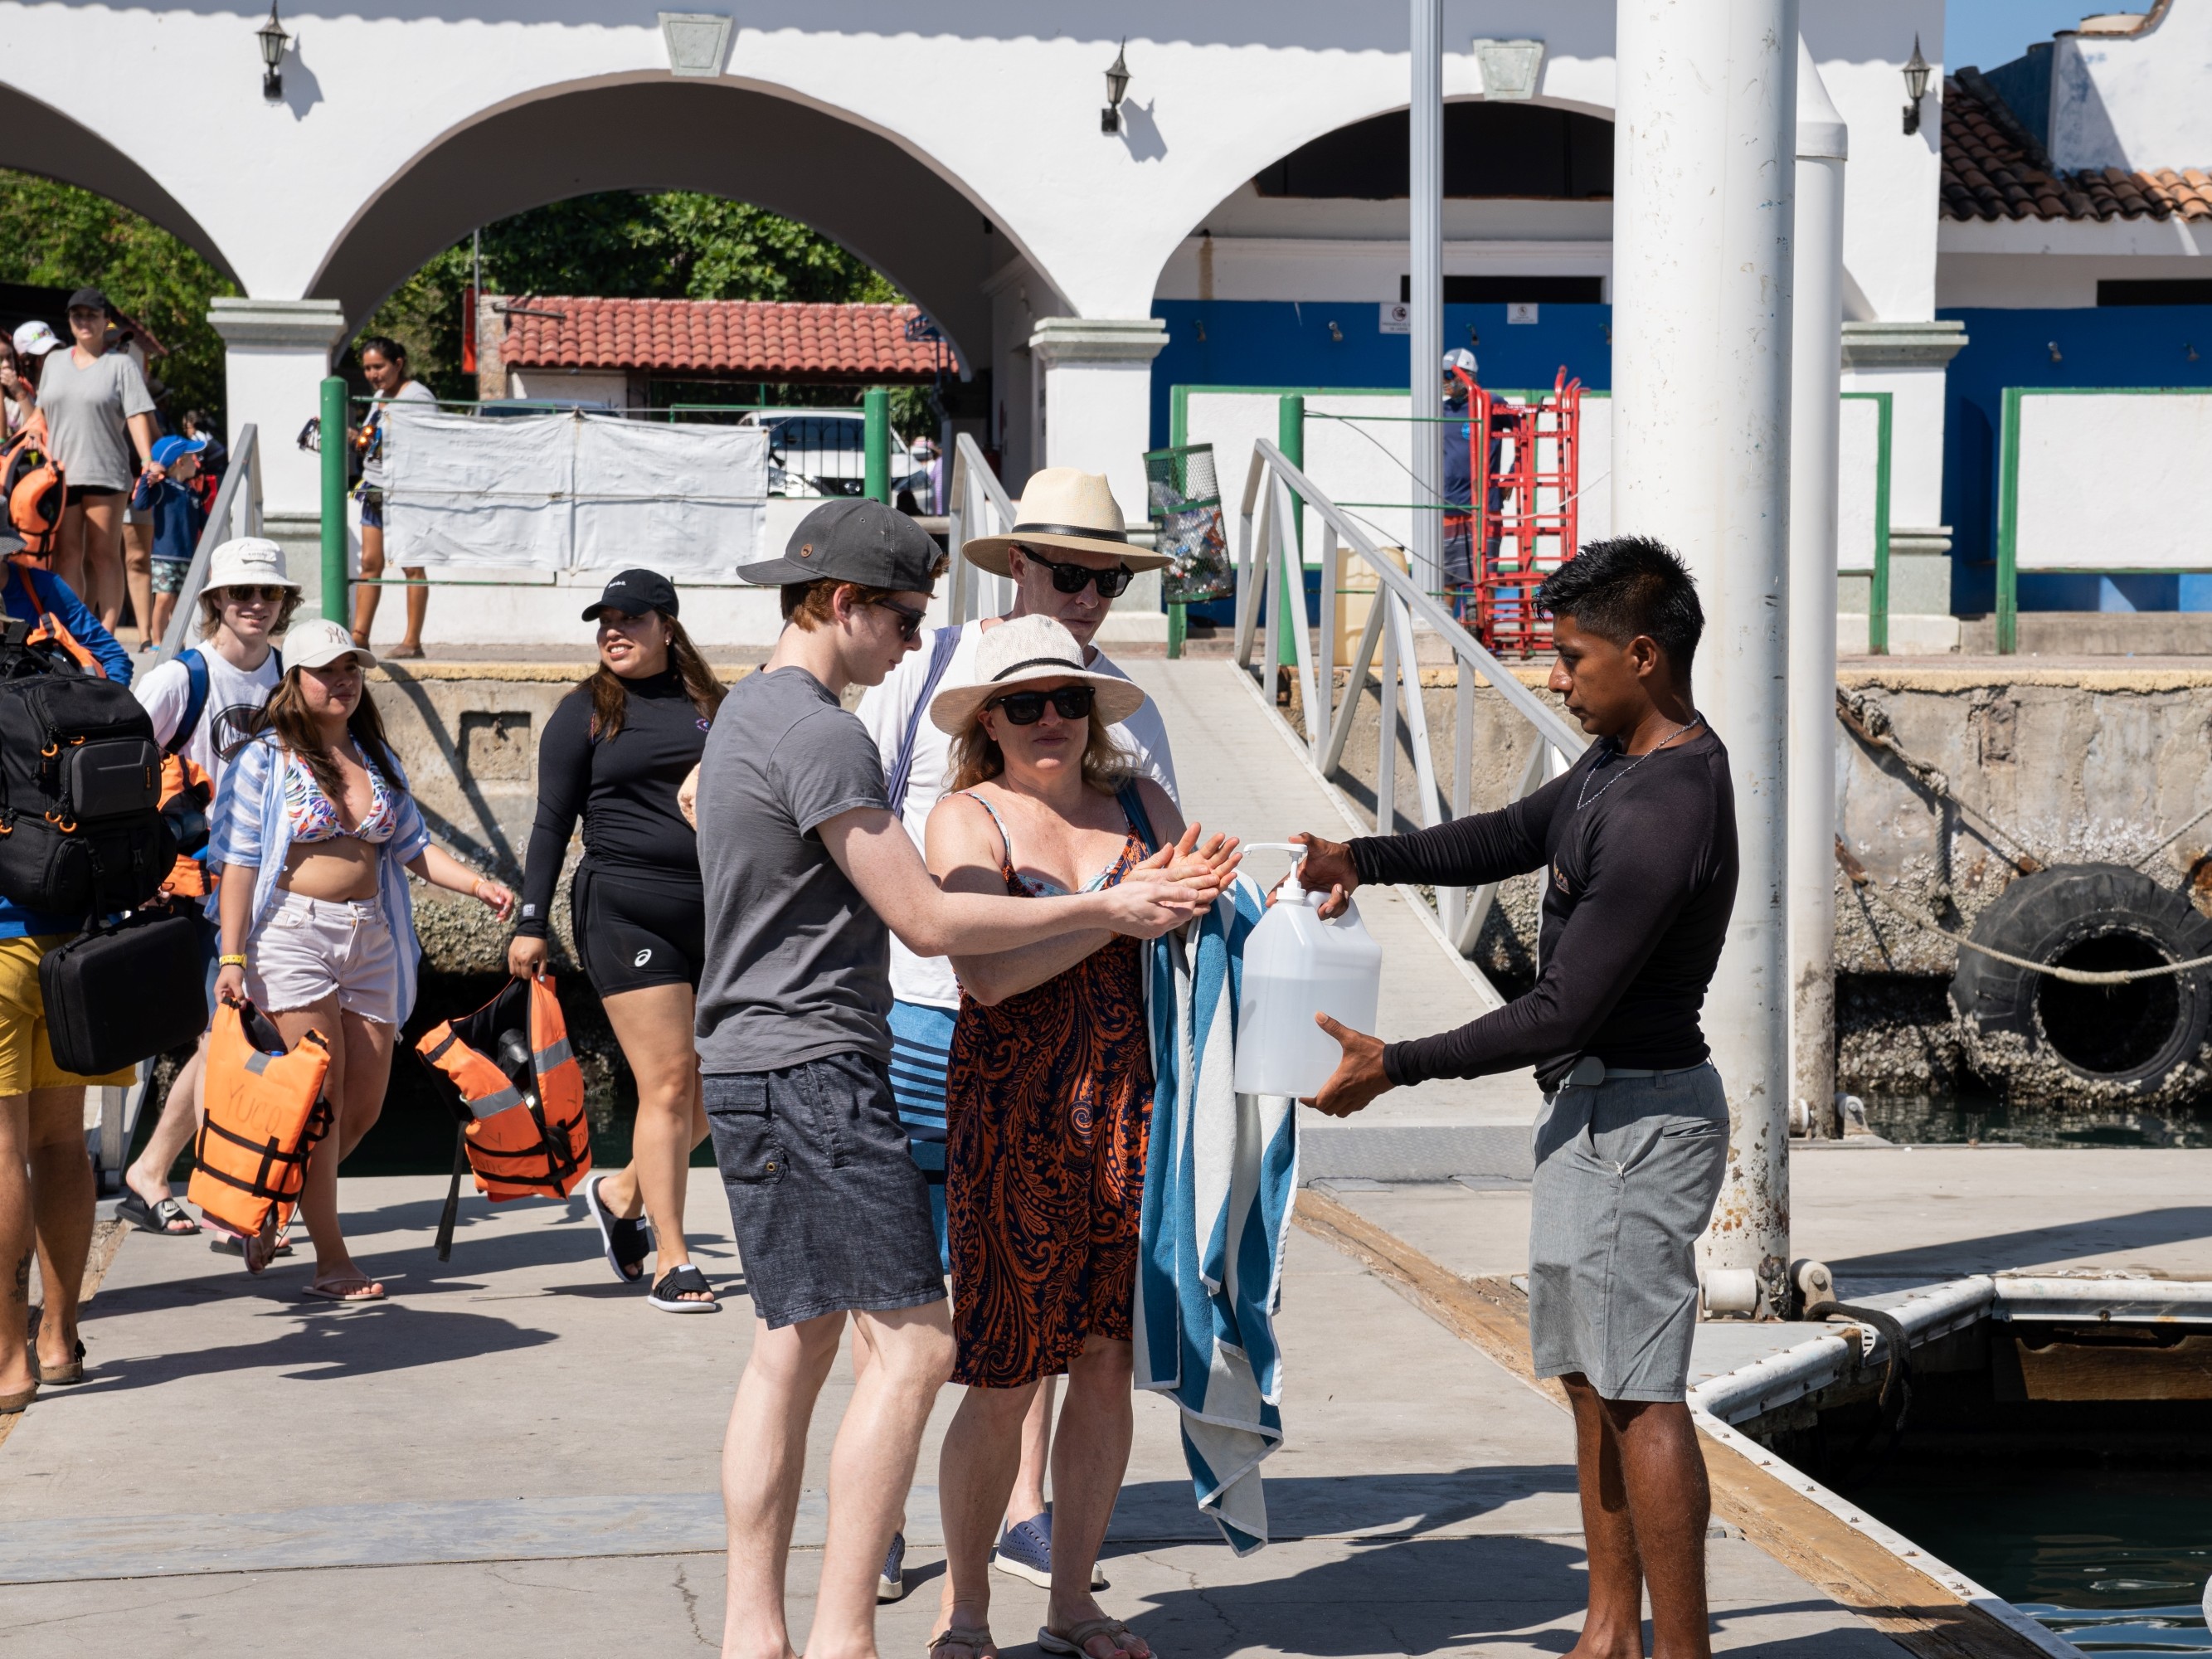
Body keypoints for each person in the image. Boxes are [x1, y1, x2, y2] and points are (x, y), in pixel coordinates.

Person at [692, 499, 1231, 1659]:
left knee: (794, 1345)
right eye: (900, 615)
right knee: (927, 1348)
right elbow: (932, 924)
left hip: (750, 1055)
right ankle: (844, 1635)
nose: (907, 640)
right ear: (842, 604)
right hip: (816, 1062)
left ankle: (756, 1631)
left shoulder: (744, 712)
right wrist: (1107, 906)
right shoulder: (826, 735)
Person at [1292, 535, 1738, 1659]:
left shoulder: (1665, 808)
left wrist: (1391, 1065)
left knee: (1641, 1394)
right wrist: (1361, 855)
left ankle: (1676, 1653)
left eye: (1570, 656)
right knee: (1590, 1382)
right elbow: (1504, 836)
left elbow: (1559, 1013)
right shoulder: (1611, 763)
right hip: (1591, 1112)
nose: (1553, 676)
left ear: (1641, 655)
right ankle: (1603, 1633)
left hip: (1640, 1115)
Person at [854, 465, 1176, 1601]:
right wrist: (1111, 912)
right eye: (1069, 573)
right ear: (1018, 563)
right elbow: (861, 825)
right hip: (933, 1039)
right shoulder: (922, 674)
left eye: (1105, 579)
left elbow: (1184, 893)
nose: (1086, 597)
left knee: (1083, 1349)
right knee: (912, 1309)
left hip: (1113, 1097)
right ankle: (882, 1510)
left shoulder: (1132, 743)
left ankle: (1043, 1545)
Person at [923, 615, 1217, 1659]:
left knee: (1103, 1361)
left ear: (1091, 711)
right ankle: (964, 1613)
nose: (1049, 718)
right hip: (1014, 1115)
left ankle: (1072, 1605)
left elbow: (1186, 924)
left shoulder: (1142, 801)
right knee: (1005, 1372)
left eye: (1068, 698)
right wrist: (1117, 907)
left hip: (1134, 1108)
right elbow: (985, 970)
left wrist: (1213, 898)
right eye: (1024, 702)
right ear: (989, 721)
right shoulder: (968, 817)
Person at [210, 618, 515, 1296]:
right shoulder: (264, 757)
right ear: (295, 680)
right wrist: (232, 956)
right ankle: (331, 1261)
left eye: (352, 668)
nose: (343, 681)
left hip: (372, 938)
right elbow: (234, 863)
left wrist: (475, 883)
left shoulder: (377, 757)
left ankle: (273, 1202)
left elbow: (412, 846)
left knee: (362, 1109)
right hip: (292, 935)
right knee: (321, 1097)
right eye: (328, 670)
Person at [509, 569, 724, 1311]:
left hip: (715, 913)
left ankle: (624, 1190)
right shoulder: (584, 712)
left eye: (630, 619)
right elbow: (549, 824)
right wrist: (530, 922)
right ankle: (673, 1258)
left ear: (668, 625)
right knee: (667, 1081)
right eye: (604, 619)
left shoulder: (710, 707)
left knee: (713, 1084)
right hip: (623, 912)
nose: (613, 631)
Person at [119, 539, 302, 1237]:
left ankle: (152, 1169)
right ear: (215, 602)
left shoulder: (291, 676)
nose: (255, 605)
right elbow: (123, 774)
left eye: (269, 594)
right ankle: (232, 1204)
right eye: (241, 594)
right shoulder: (180, 681)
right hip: (199, 890)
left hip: (273, 889)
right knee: (229, 1042)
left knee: (226, 1040)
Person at [0, 566, 137, 1409]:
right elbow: (121, 674)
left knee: (3, 1150)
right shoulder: (43, 594)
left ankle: (6, 1362)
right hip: (76, 931)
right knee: (59, 1144)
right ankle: (57, 1339)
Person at [40, 289, 163, 631]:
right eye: (77, 315)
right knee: (65, 555)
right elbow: (40, 412)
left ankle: (105, 635)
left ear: (104, 320)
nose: (84, 321)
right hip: (61, 472)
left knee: (104, 555)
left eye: (92, 315)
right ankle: (69, 632)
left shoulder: (120, 365)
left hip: (106, 471)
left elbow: (137, 414)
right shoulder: (53, 362)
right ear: (69, 320)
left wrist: (147, 460)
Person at [348, 337, 436, 659]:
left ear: (398, 363)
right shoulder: (378, 397)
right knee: (369, 564)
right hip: (374, 488)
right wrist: (355, 438)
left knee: (412, 565)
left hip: (406, 492)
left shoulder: (417, 396)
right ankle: (360, 636)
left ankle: (412, 642)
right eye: (368, 368)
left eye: (379, 366)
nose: (373, 374)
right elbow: (377, 444)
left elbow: (427, 443)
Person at [135, 433, 209, 648]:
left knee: (181, 602)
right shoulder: (161, 488)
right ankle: (157, 642)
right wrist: (146, 477)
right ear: (181, 462)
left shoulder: (192, 494)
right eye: (193, 458)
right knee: (164, 598)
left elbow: (206, 524)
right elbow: (140, 504)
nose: (198, 462)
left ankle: (177, 641)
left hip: (187, 558)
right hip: (164, 557)